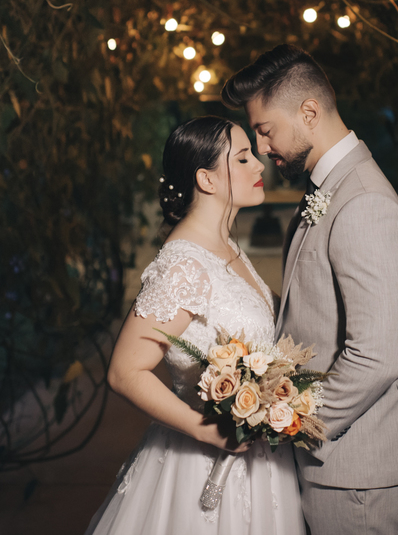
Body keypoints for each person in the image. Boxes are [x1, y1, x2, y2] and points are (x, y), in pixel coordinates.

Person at [222, 45, 398, 535]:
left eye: (265, 129)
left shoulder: (363, 202)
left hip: (356, 469)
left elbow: (377, 356)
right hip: (337, 465)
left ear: (309, 112)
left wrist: (291, 422)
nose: (260, 147)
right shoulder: (331, 188)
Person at [86, 116, 306, 534]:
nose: (259, 165)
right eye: (242, 158)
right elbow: (124, 371)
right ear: (206, 179)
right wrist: (209, 431)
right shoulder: (184, 265)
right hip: (204, 462)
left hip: (263, 465)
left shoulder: (226, 247)